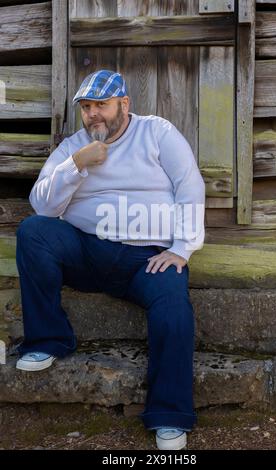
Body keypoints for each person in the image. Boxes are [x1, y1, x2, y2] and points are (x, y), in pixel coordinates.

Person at [15, 70, 205, 450]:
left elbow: (190, 186)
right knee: (33, 231)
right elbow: (42, 205)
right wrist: (76, 165)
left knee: (173, 308)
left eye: (101, 104)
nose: (93, 115)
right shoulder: (74, 146)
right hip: (87, 250)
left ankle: (169, 414)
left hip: (147, 260)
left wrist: (182, 248)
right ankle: (48, 340)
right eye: (86, 107)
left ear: (124, 104)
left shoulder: (157, 133)